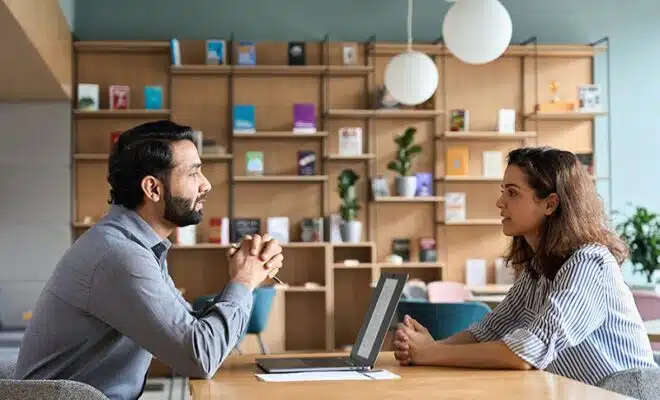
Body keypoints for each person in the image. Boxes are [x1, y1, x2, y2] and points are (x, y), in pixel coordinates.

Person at [14, 120, 284, 400]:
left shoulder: (136, 245)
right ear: (153, 189)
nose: (206, 184)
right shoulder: (119, 255)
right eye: (193, 173)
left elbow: (193, 331)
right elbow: (200, 357)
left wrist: (246, 278)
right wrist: (242, 281)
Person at [394, 146, 657, 386]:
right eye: (503, 192)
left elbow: (527, 352)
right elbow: (488, 331)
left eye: (513, 193)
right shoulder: (538, 268)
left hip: (627, 394)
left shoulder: (590, 263)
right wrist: (431, 347)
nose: (500, 203)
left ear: (550, 203)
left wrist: (430, 352)